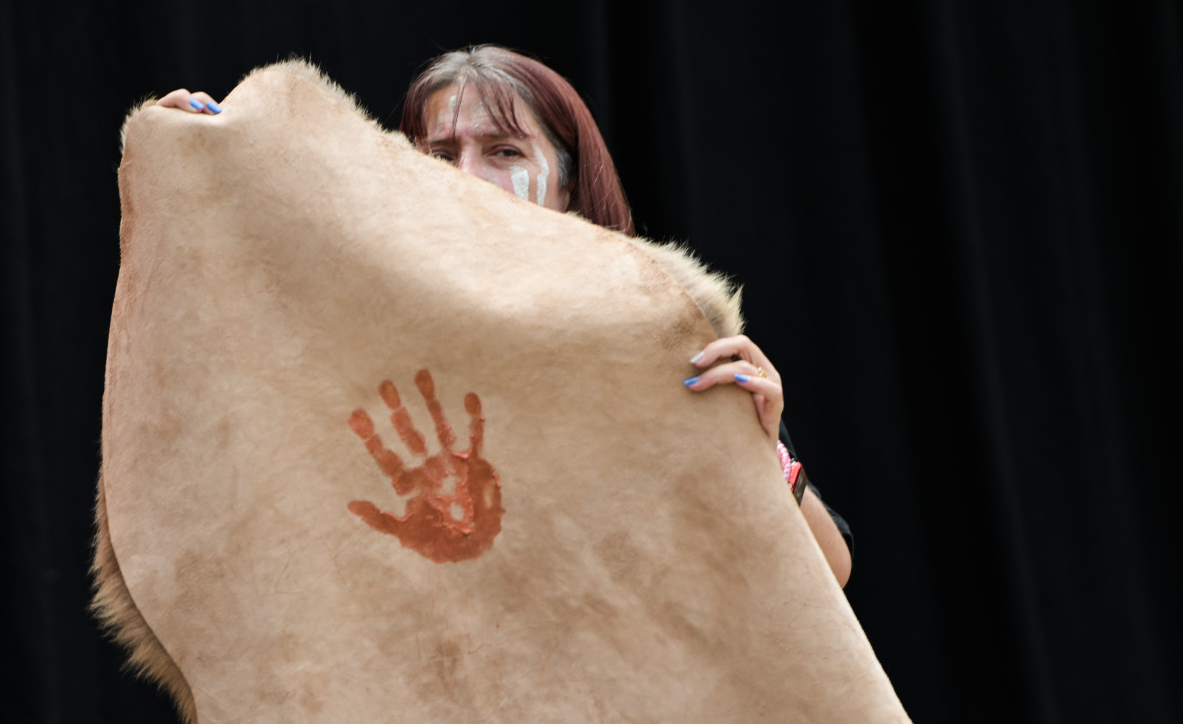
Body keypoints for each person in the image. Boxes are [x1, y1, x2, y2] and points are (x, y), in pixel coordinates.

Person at [156, 45, 852, 587]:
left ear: (569, 184)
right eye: (440, 153)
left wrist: (763, 453)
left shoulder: (656, 339)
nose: (467, 176)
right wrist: (202, 162)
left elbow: (828, 575)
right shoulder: (358, 340)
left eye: (504, 151)